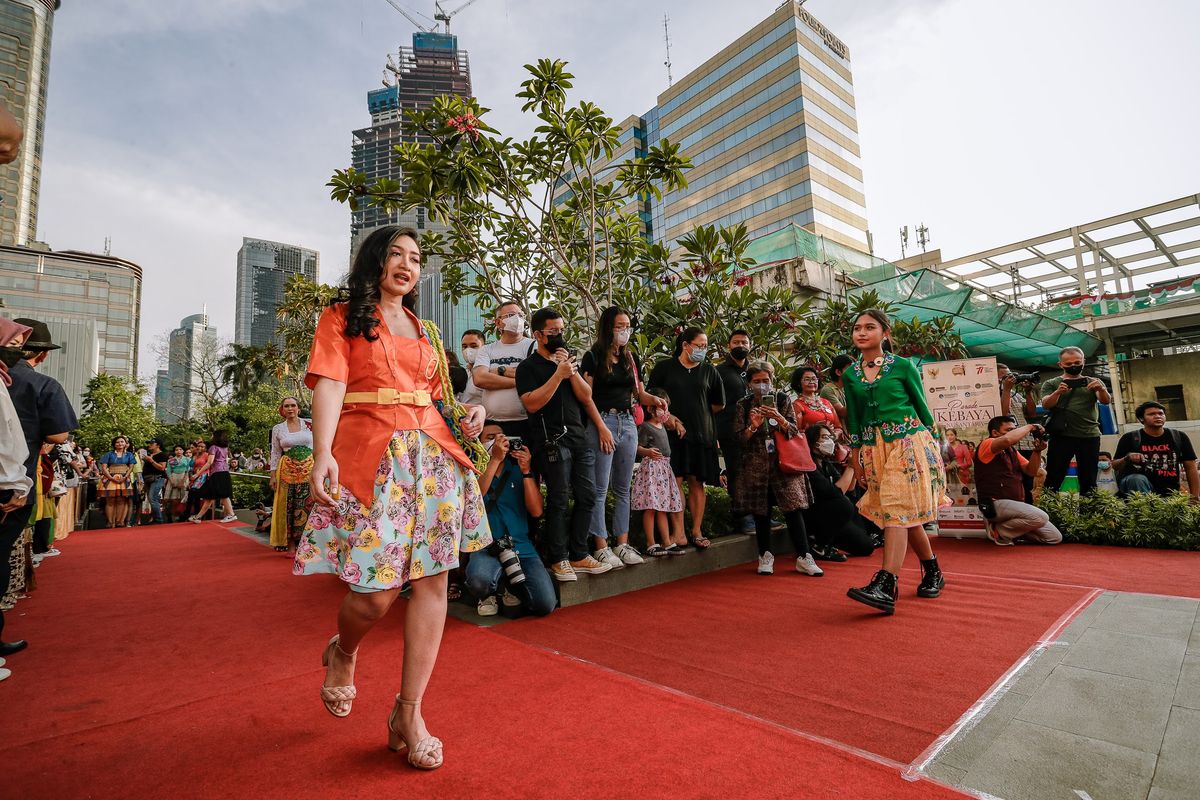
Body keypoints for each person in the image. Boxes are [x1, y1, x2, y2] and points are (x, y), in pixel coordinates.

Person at [295, 225, 491, 771]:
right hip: (373, 454)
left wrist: (471, 414)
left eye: (416, 258)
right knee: (375, 595)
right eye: (397, 254)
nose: (408, 265)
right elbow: (331, 385)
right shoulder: (341, 317)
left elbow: (436, 397)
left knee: (433, 583)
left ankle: (409, 712)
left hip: (432, 457)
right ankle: (344, 650)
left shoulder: (426, 329)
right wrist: (322, 452)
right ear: (375, 260)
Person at [843, 309, 950, 615]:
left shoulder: (903, 366)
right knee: (901, 512)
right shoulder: (850, 374)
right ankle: (933, 571)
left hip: (908, 443)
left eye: (870, 327)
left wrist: (934, 453)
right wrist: (856, 459)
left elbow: (923, 409)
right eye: (857, 328)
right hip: (874, 449)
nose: (862, 333)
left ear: (885, 333)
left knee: (896, 508)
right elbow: (854, 418)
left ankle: (886, 583)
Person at [515, 306, 613, 582]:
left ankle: (579, 554)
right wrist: (557, 375)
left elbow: (586, 395)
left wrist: (570, 372)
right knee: (558, 499)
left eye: (561, 330)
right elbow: (532, 403)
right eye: (553, 332)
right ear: (538, 335)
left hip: (578, 439)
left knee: (588, 496)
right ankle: (558, 559)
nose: (559, 335)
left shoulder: (568, 363)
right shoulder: (528, 368)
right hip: (551, 441)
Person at [580, 306, 665, 569]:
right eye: (620, 326)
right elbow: (586, 397)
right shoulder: (592, 356)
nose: (625, 330)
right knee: (600, 488)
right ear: (608, 327)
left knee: (623, 487)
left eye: (628, 325)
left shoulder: (631, 357)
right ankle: (601, 546)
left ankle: (622, 542)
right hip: (602, 420)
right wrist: (600, 428)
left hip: (627, 422)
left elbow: (639, 394)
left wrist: (656, 400)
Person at [733, 363, 822, 576]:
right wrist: (753, 425)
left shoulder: (782, 400)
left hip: (784, 463)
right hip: (756, 466)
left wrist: (779, 418)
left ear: (772, 381)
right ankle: (765, 555)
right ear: (749, 383)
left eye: (765, 381)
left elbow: (793, 431)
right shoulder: (743, 405)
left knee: (793, 509)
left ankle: (804, 556)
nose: (762, 386)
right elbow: (739, 439)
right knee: (761, 512)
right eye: (757, 381)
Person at [647, 327, 726, 550]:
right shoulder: (664, 368)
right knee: (675, 481)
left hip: (702, 434)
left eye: (705, 346)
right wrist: (668, 416)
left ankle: (697, 531)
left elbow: (718, 404)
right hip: (670, 435)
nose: (703, 349)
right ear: (685, 345)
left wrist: (698, 414)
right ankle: (678, 532)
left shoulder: (710, 371)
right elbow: (651, 398)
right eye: (699, 345)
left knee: (696, 481)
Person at [465, 424, 554, 617]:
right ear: (479, 443)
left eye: (502, 437)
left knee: (545, 604)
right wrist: (495, 459)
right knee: (479, 581)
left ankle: (509, 587)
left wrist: (527, 471)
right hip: (486, 546)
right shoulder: (471, 470)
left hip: (520, 546)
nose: (499, 441)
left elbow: (537, 511)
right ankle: (489, 592)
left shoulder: (517, 470)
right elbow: (476, 499)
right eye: (491, 437)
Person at [0, 318, 35, 664]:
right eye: (12, 346)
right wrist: (17, 486)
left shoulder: (4, 381)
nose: (19, 353)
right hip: (6, 486)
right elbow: (5, 445)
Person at [975, 416, 1061, 545]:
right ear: (994, 433)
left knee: (1054, 537)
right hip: (993, 503)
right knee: (1041, 517)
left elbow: (1031, 471)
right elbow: (1007, 439)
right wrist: (1030, 427)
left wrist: (1037, 451)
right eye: (1008, 429)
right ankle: (999, 531)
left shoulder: (1012, 451)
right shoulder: (987, 444)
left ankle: (1010, 532)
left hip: (1014, 507)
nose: (1013, 432)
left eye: (1014, 429)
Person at [1039, 346, 1110, 495]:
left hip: (1089, 436)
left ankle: (1088, 514)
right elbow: (1046, 404)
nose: (1073, 366)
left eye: (1077, 362)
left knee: (1089, 480)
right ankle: (1050, 514)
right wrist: (1058, 392)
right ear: (1061, 365)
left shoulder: (1093, 382)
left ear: (1083, 361)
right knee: (1054, 477)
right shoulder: (1052, 383)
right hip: (1061, 436)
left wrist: (1101, 389)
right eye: (1069, 364)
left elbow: (1105, 401)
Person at [802, 423, 875, 560]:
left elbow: (849, 489)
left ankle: (831, 541)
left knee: (866, 546)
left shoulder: (827, 464)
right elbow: (835, 492)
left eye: (830, 436)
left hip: (833, 517)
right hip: (814, 516)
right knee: (843, 504)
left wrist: (854, 469)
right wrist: (852, 467)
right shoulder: (809, 466)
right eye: (823, 437)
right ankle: (819, 546)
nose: (829, 440)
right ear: (812, 442)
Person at [632, 389, 686, 557]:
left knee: (662, 507)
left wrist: (676, 423)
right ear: (650, 408)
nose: (664, 411)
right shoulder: (646, 427)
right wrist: (647, 452)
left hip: (664, 469)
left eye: (666, 407)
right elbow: (636, 447)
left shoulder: (663, 426)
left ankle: (667, 542)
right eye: (660, 407)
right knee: (651, 507)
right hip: (652, 469)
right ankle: (651, 542)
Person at [1113, 401, 1199, 502]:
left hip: (1169, 492)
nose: (1158, 416)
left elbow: (1191, 467)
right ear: (1141, 419)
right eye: (1151, 414)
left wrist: (1194, 497)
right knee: (1136, 479)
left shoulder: (1179, 437)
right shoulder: (1130, 438)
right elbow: (1114, 465)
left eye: (1161, 413)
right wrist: (1127, 458)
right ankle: (1146, 512)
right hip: (1138, 489)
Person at [473, 301, 534, 438]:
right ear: (498, 323)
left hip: (525, 424)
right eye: (511, 315)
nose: (517, 319)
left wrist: (499, 371)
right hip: (492, 426)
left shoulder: (534, 346)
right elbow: (480, 378)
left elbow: (534, 378)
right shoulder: (486, 349)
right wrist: (521, 381)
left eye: (520, 315)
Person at [715, 330, 753, 535]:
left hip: (754, 430)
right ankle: (742, 517)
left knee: (755, 472)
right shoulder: (719, 371)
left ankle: (759, 514)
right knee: (736, 472)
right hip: (729, 430)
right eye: (736, 342)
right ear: (728, 345)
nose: (741, 345)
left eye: (744, 342)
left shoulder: (755, 369)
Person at [269, 396, 314, 551]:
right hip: (287, 470)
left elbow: (319, 446)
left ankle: (307, 542)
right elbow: (275, 452)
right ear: (282, 410)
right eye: (286, 406)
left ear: (298, 408)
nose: (290, 409)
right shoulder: (278, 429)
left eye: (293, 405)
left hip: (309, 469)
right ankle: (290, 543)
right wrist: (273, 475)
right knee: (288, 505)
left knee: (308, 503)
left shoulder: (310, 424)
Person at [189, 430, 238, 523]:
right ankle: (198, 517)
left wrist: (197, 474)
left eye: (212, 435)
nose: (211, 437)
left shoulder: (213, 447)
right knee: (212, 495)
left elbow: (209, 462)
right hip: (225, 471)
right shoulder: (225, 448)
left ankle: (231, 514)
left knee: (218, 495)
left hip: (217, 473)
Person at [97, 436, 137, 528]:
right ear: (114, 444)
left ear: (125, 443)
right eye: (117, 442)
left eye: (122, 442)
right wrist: (110, 477)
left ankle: (119, 521)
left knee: (121, 500)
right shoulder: (109, 454)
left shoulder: (130, 455)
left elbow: (131, 467)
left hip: (124, 478)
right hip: (110, 477)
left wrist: (126, 476)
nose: (120, 444)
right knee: (110, 500)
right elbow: (103, 467)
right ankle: (110, 522)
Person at [790, 365, 840, 433]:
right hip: (811, 442)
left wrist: (835, 435)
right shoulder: (797, 405)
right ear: (798, 383)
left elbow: (838, 427)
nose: (811, 382)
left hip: (832, 441)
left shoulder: (826, 402)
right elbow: (795, 431)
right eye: (807, 379)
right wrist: (819, 432)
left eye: (814, 379)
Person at [820, 354, 854, 433]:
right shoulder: (828, 390)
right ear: (838, 372)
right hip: (839, 436)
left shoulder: (847, 387)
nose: (854, 373)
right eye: (850, 370)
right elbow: (842, 412)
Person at [143, 438, 169, 524]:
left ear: (158, 445)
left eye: (151, 443)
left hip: (158, 478)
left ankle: (158, 520)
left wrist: (151, 461)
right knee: (152, 499)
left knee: (153, 498)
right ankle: (155, 518)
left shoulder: (162, 454)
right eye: (149, 443)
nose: (149, 445)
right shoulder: (150, 454)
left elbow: (162, 467)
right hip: (147, 479)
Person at [163, 445, 192, 521]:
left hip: (184, 477)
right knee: (173, 499)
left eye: (180, 449)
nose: (178, 451)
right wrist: (172, 481)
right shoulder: (171, 460)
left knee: (183, 498)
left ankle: (181, 515)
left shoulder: (188, 459)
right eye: (176, 450)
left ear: (183, 451)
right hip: (173, 477)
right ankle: (172, 515)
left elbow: (187, 471)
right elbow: (168, 471)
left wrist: (183, 481)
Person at [458, 329, 485, 406]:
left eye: (474, 346)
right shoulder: (462, 373)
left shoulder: (490, 372)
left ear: (484, 347)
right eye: (464, 346)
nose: (468, 350)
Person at [186, 440, 210, 520]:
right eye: (199, 446)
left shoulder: (206, 455)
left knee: (194, 492)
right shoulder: (195, 456)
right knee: (192, 495)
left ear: (205, 448)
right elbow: (191, 467)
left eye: (202, 446)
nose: (200, 448)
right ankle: (191, 513)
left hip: (202, 475)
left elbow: (209, 465)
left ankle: (195, 514)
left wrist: (199, 472)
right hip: (194, 476)